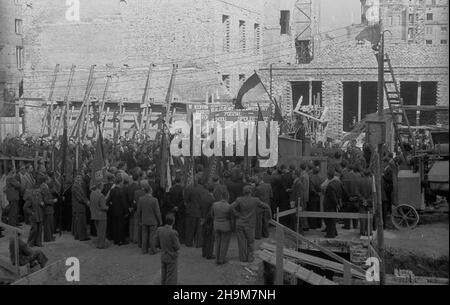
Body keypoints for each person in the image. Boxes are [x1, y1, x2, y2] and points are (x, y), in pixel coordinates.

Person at [231, 185, 271, 263]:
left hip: (240, 223)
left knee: (241, 242)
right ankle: (250, 258)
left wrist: (237, 214)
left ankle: (242, 258)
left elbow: (231, 207)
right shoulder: (255, 200)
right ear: (251, 192)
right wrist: (269, 216)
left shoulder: (239, 200)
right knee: (250, 242)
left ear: (243, 192)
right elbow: (267, 206)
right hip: (250, 224)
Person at [137, 182, 162, 254]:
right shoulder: (154, 200)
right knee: (152, 236)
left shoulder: (141, 199)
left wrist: (139, 220)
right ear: (151, 190)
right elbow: (157, 212)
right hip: (152, 220)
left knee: (144, 235)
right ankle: (153, 250)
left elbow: (139, 211)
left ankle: (144, 250)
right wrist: (160, 220)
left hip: (144, 220)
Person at [156, 214, 180, 285]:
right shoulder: (173, 232)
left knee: (164, 275)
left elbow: (156, 244)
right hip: (171, 256)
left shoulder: (159, 230)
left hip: (163, 255)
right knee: (171, 277)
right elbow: (177, 246)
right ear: (173, 222)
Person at [211, 185, 232, 265]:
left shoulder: (215, 204)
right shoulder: (229, 206)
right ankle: (221, 259)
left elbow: (212, 214)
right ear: (228, 197)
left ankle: (217, 258)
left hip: (216, 225)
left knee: (217, 242)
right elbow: (230, 217)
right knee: (224, 242)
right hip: (225, 226)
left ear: (221, 196)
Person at [107, 176, 129, 245]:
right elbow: (123, 203)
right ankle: (121, 240)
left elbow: (110, 200)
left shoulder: (112, 190)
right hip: (120, 211)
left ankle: (116, 240)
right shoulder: (121, 191)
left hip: (113, 211)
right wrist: (126, 211)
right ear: (120, 182)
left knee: (115, 225)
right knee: (121, 226)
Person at [322, 168, 343, 238]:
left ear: (328, 176)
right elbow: (340, 193)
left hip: (329, 204)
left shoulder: (330, 186)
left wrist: (336, 204)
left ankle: (330, 234)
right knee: (332, 219)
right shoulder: (338, 182)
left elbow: (332, 197)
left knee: (330, 219)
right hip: (333, 204)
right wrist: (338, 202)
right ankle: (334, 232)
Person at [89, 182, 109, 249]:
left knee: (98, 231)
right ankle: (101, 245)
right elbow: (103, 207)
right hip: (102, 216)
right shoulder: (101, 195)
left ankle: (98, 244)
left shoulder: (92, 194)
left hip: (95, 215)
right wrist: (108, 207)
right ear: (101, 187)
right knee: (102, 232)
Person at [254, 174, 273, 239]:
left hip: (259, 206)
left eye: (256, 179)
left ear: (259, 179)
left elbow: (254, 198)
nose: (255, 180)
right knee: (265, 220)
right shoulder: (269, 185)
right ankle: (266, 234)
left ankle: (258, 235)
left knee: (259, 221)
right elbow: (271, 196)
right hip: (267, 204)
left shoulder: (257, 188)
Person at [71, 175, 90, 241]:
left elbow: (83, 195)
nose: (79, 178)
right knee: (80, 222)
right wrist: (87, 202)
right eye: (77, 177)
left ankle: (78, 235)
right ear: (75, 179)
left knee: (79, 222)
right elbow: (80, 197)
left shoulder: (78, 185)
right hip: (79, 207)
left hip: (80, 206)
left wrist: (86, 200)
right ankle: (82, 237)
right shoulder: (76, 186)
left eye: (80, 177)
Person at [167, 177, 185, 245]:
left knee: (173, 224)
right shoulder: (182, 189)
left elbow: (168, 199)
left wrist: (173, 206)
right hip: (180, 210)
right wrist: (178, 207)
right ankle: (180, 239)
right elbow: (183, 200)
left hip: (173, 209)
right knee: (180, 225)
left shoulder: (171, 189)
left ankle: (173, 239)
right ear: (180, 181)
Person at [200, 184, 215, 259]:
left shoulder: (202, 197)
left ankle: (204, 252)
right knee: (210, 238)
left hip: (202, 218)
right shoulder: (212, 199)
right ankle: (209, 254)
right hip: (209, 220)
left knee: (204, 236)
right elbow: (211, 212)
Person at [41, 178, 57, 242]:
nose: (50, 181)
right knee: (48, 224)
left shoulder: (45, 187)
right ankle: (48, 238)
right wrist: (53, 201)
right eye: (49, 180)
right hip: (47, 209)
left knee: (50, 224)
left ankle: (50, 236)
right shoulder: (44, 188)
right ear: (46, 180)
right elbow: (45, 200)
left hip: (49, 209)